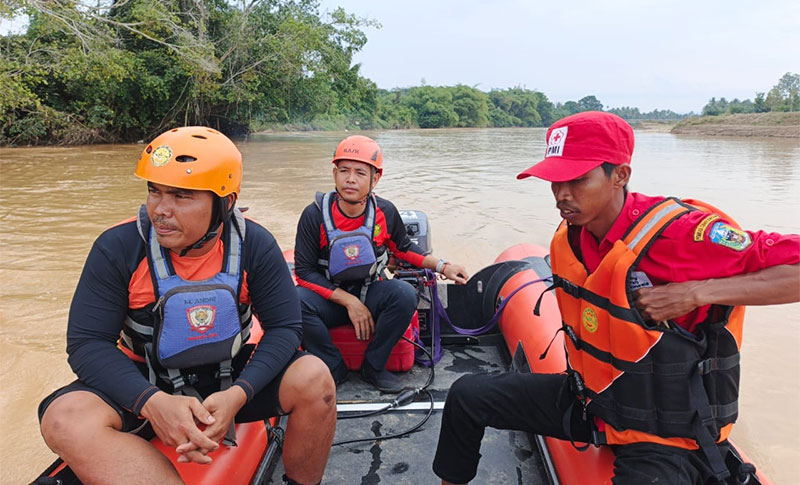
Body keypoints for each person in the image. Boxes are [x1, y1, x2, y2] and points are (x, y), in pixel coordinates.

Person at [432, 111, 800, 484]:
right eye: (555, 181)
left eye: (577, 179)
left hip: (663, 437)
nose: (562, 195)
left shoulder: (683, 235)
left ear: (620, 175)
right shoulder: (574, 233)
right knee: (467, 396)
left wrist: (695, 293)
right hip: (591, 402)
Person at [38, 127, 336, 485]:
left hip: (230, 379)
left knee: (315, 379)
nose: (161, 210)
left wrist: (237, 396)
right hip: (146, 381)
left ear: (225, 204)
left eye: (181, 196)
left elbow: (285, 328)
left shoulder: (253, 244)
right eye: (155, 191)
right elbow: (87, 343)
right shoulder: (118, 247)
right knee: (63, 418)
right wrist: (150, 402)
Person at [294, 135, 469, 393]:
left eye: (360, 173)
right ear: (334, 174)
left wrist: (443, 266)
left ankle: (373, 366)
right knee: (294, 301)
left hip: (371, 291)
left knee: (404, 294)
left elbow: (405, 249)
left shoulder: (385, 212)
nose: (350, 179)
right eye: (344, 171)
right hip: (330, 299)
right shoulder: (314, 215)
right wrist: (350, 302)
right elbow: (305, 273)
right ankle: (333, 366)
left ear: (375, 179)